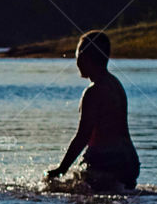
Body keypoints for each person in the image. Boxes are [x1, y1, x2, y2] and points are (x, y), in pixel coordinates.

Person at [46, 31, 139, 191]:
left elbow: (83, 136)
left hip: (106, 162)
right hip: (129, 162)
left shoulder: (93, 92)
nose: (76, 62)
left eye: (77, 57)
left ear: (84, 57)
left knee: (63, 191)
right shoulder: (115, 84)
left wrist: (62, 169)